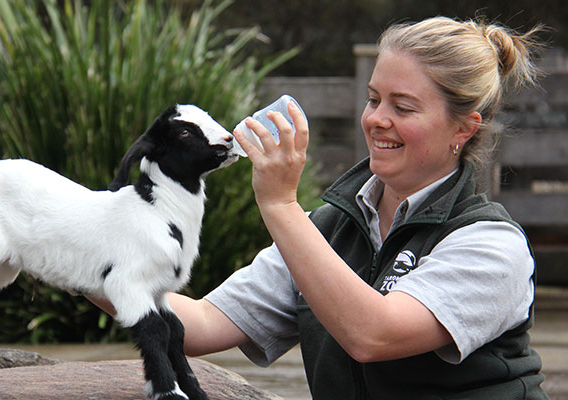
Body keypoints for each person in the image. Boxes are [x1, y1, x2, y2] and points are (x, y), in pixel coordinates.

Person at [89, 16, 549, 399]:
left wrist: (279, 203)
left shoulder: (492, 245)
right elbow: (202, 325)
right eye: (373, 99)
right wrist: (72, 251)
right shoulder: (325, 229)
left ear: (463, 130)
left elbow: (374, 334)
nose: (376, 120)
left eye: (403, 107)